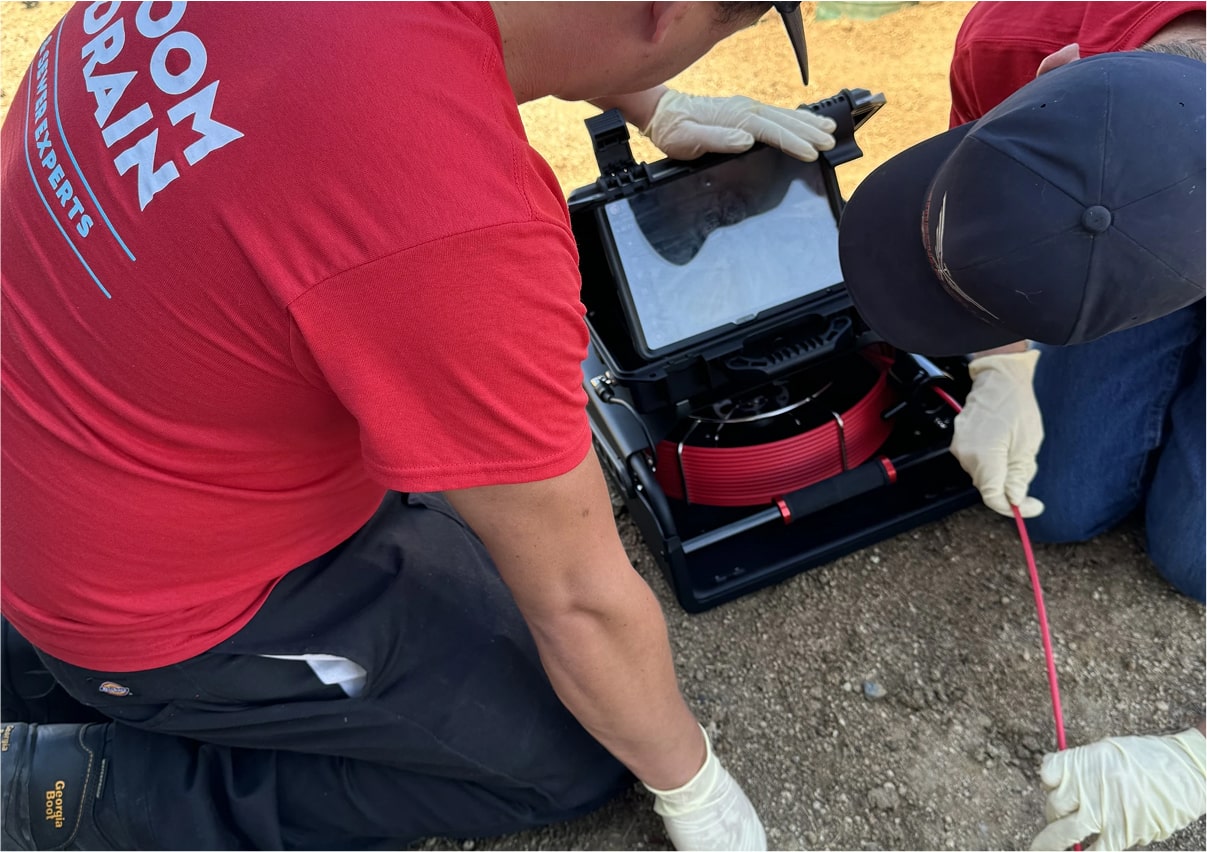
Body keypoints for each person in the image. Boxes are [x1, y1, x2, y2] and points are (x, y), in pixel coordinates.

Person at [0, 3, 839, 850]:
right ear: (672, 14)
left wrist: (650, 99)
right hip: (149, 601)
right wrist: (689, 780)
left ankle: (32, 669)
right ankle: (71, 791)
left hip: (53, 435)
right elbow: (578, 604)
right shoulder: (460, 228)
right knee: (568, 753)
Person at [837, 4, 1206, 850]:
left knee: (1198, 557)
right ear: (1058, 74)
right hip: (1161, 234)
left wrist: (1198, 760)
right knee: (1063, 499)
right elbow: (983, 223)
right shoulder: (1015, 39)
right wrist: (1001, 363)